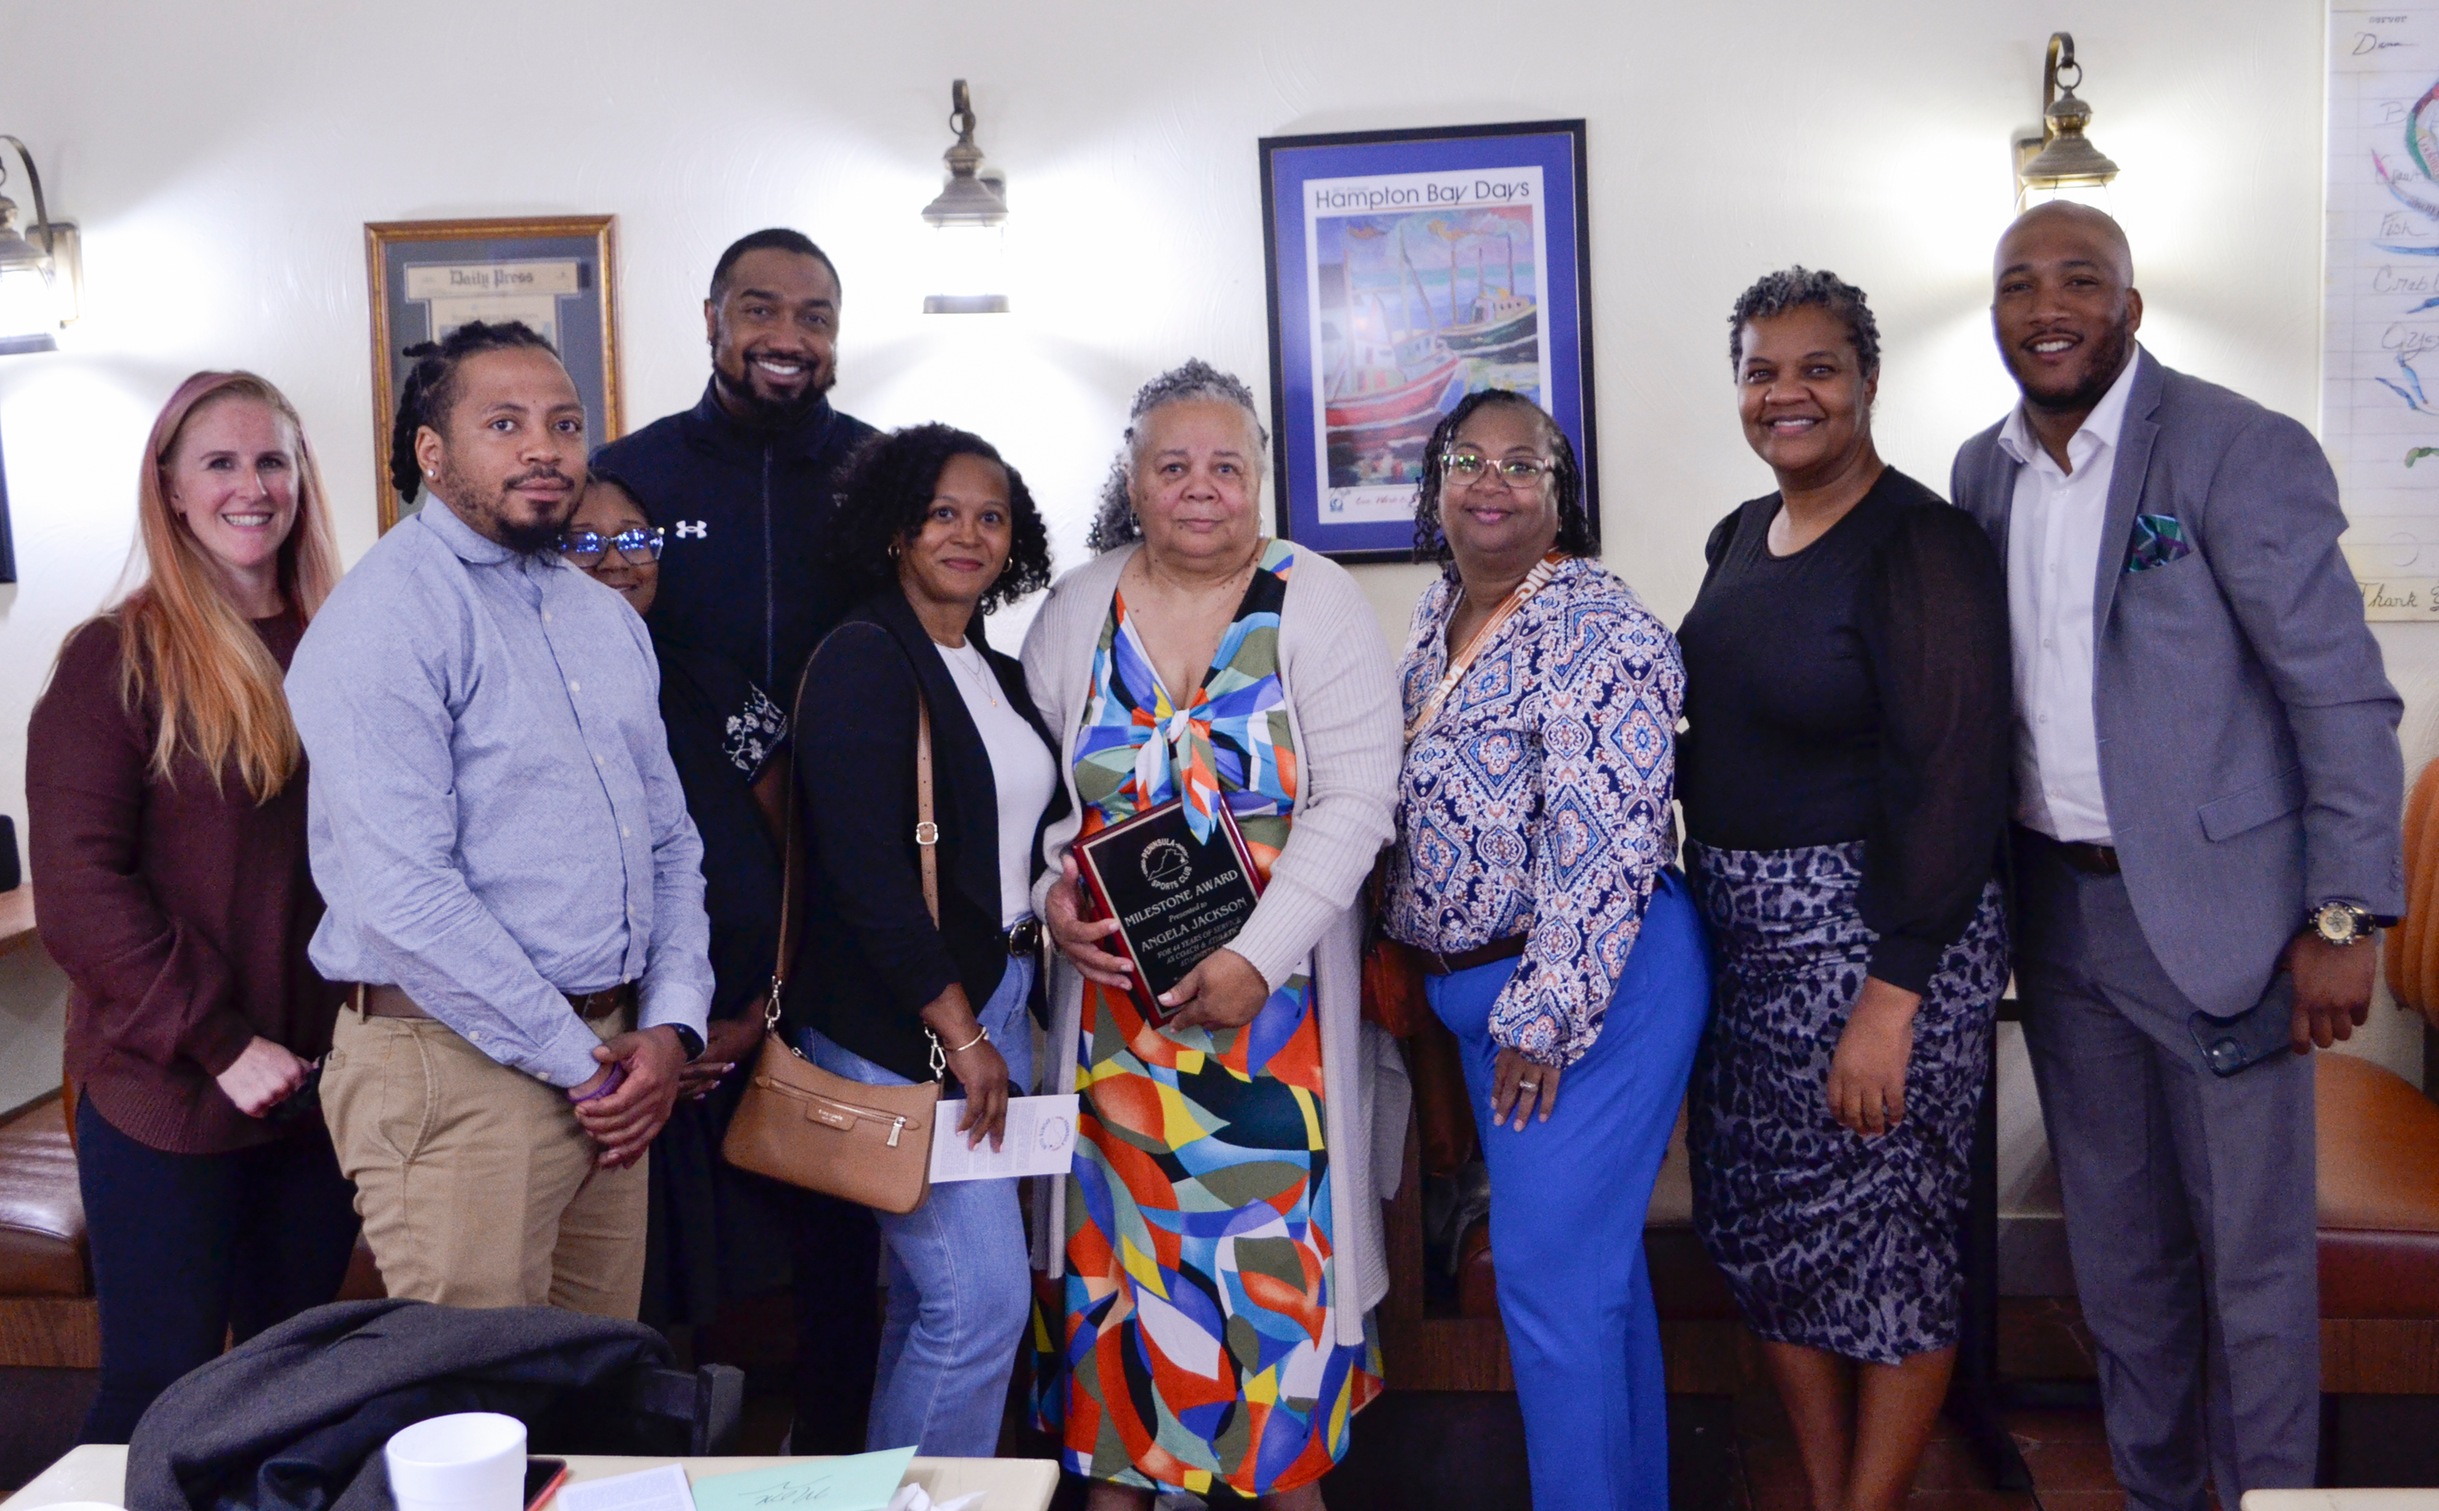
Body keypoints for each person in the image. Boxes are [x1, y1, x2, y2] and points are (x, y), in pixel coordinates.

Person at [1949, 204, 2405, 1508]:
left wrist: (2341, 914)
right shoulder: (1979, 471)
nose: (2047, 306)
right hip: (2056, 913)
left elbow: (2337, 697)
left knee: (2250, 1272)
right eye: (2019, 284)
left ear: (2129, 308)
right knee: (2121, 1263)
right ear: (1993, 316)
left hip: (2228, 926)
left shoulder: (2232, 447)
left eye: (2079, 280)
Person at [1025, 361, 1404, 1510]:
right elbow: (1041, 796)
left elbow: (1355, 804)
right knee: (1119, 1332)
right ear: (1133, 481)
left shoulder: (1315, 596)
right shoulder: (1077, 605)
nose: (1201, 488)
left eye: (1225, 466)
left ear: (1260, 483)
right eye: (1172, 464)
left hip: (1275, 1052)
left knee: (1273, 1343)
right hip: (1116, 1060)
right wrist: (1051, 895)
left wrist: (1252, 959)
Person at [288, 320, 714, 1320]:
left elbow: (670, 844)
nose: (544, 449)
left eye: (564, 424)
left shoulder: (601, 617)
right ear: (432, 455)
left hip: (611, 1059)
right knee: (474, 1424)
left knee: (595, 1395)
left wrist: (669, 1026)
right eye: (505, 423)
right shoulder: (384, 618)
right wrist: (589, 1068)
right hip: (455, 1063)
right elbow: (406, 893)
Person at [1676, 269, 2012, 1511]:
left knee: (1890, 1242)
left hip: (1884, 941)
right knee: (1769, 1236)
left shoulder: (1923, 543)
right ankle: (1828, 1496)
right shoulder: (1735, 537)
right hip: (1748, 951)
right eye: (1763, 370)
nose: (1788, 393)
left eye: (1818, 367)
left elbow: (1957, 779)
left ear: (1869, 380)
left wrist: (1893, 996)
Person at [1383, 390, 1711, 1511]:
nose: (1492, 480)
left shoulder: (1596, 625)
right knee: (1590, 1283)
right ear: (1435, 487)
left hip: (1591, 993)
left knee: (1547, 1287)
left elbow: (1608, 834)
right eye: (1468, 458)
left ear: (1560, 493)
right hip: (1486, 997)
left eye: (1523, 463)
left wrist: (1546, 1014)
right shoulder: (1439, 619)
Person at [589, 226, 882, 1447]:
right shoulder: (632, 473)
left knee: (836, 1210)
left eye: (812, 315)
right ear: (711, 317)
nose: (786, 337)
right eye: (760, 308)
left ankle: (835, 1455)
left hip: (843, 892)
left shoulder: (880, 470)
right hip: (654, 905)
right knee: (658, 1227)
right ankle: (656, 1455)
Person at [27, 371, 350, 1442]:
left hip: (319, 1090)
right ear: (168, 487)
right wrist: (221, 1040)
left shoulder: (346, 645)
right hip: (171, 1093)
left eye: (272, 460)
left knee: (292, 1398)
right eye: (220, 461)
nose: (251, 485)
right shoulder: (115, 658)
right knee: (156, 1405)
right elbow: (77, 891)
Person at [787, 424, 1060, 1455]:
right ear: (896, 527)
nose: (968, 533)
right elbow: (867, 876)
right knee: (981, 1302)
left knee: (928, 1301)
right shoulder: (865, 654)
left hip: (993, 1000)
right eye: (942, 511)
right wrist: (959, 1029)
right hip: (902, 1019)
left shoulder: (988, 664)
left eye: (990, 515)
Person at [555, 478, 797, 1330]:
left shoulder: (710, 683)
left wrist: (754, 1014)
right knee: (616, 1306)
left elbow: (796, 855)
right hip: (591, 1056)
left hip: (732, 1041)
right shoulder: (529, 687)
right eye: (583, 542)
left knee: (737, 1301)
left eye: (635, 537)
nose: (617, 560)